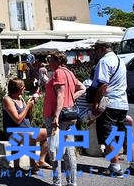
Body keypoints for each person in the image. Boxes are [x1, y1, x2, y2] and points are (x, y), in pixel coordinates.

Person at [90, 40, 134, 177]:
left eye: (95, 50)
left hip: (109, 103)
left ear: (101, 49)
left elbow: (103, 85)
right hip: (122, 103)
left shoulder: (104, 62)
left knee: (108, 135)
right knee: (124, 135)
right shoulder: (119, 60)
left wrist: (95, 103)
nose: (94, 53)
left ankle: (115, 166)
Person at [43, 52, 85, 186]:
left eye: (50, 60)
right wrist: (71, 98)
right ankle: (72, 182)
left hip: (57, 116)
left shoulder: (58, 73)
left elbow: (60, 95)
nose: (49, 63)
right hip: (69, 115)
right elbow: (83, 88)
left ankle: (57, 182)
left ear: (57, 61)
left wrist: (56, 116)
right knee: (68, 149)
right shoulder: (69, 73)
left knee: (55, 150)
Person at [2, 78, 50, 170]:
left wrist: (31, 106)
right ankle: (31, 163)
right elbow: (17, 120)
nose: (25, 88)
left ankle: (41, 160)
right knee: (31, 135)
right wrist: (27, 106)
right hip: (13, 132)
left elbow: (28, 117)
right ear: (18, 88)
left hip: (26, 129)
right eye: (23, 87)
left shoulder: (21, 98)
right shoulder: (7, 100)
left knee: (48, 132)